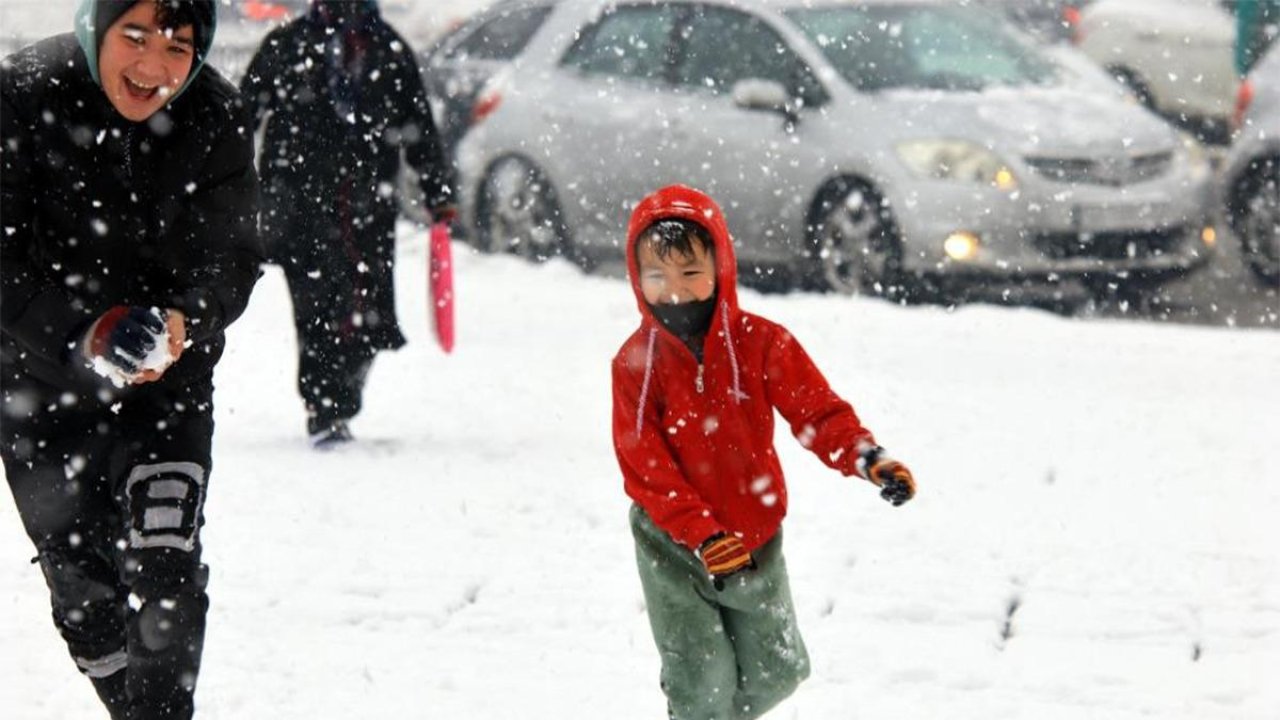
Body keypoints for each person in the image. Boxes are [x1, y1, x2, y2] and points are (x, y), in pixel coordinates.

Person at [0, 0, 262, 717]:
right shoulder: (22, 94)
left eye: (178, 47)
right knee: (84, 594)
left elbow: (233, 256)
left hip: (166, 391)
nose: (153, 67)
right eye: (136, 37)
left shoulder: (215, 114)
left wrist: (184, 321)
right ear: (98, 27)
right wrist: (85, 334)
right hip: (38, 386)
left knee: (165, 567)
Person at [611, 185, 917, 720]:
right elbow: (645, 467)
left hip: (753, 536)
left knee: (779, 671)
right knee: (700, 683)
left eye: (690, 272)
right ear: (637, 278)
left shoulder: (762, 343)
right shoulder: (637, 363)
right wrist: (700, 533)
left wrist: (867, 458)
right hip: (672, 544)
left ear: (721, 266)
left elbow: (818, 412)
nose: (675, 290)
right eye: (657, 275)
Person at [239, 0, 456, 447]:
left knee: (368, 311)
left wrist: (437, 191)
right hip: (300, 205)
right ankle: (325, 406)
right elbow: (241, 117)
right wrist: (227, 184)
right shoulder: (288, 45)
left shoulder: (387, 49)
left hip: (366, 210)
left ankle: (341, 394)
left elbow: (417, 124)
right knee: (315, 308)